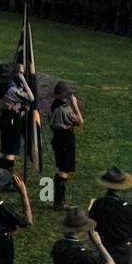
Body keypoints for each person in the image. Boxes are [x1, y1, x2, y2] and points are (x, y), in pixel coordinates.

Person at [47, 80, 83, 209]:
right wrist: (75, 106)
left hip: (57, 138)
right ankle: (60, 202)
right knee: (64, 169)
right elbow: (80, 121)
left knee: (60, 167)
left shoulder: (53, 106)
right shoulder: (64, 109)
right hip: (66, 139)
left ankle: (58, 200)